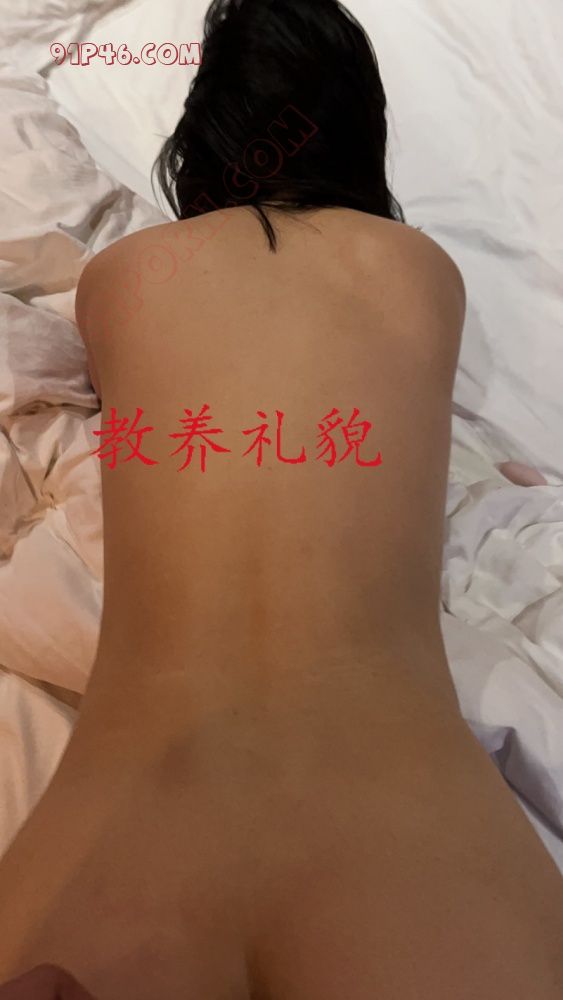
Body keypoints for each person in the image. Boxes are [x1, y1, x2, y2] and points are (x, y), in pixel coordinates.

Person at [0, 1, 562, 997]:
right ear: (357, 126)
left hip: (118, 817)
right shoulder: (421, 272)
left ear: (199, 138)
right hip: (417, 828)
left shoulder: (120, 277)